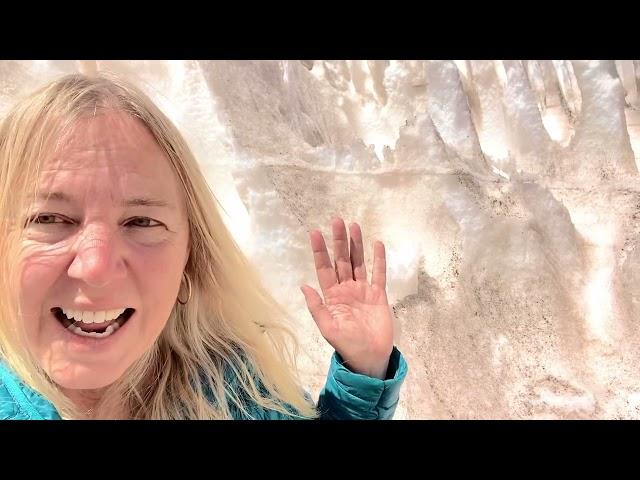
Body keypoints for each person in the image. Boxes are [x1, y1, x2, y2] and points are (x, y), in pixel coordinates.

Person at [0, 72, 407, 420]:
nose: (96, 266)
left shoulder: (232, 395)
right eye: (49, 219)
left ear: (189, 262)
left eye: (142, 221)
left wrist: (363, 370)